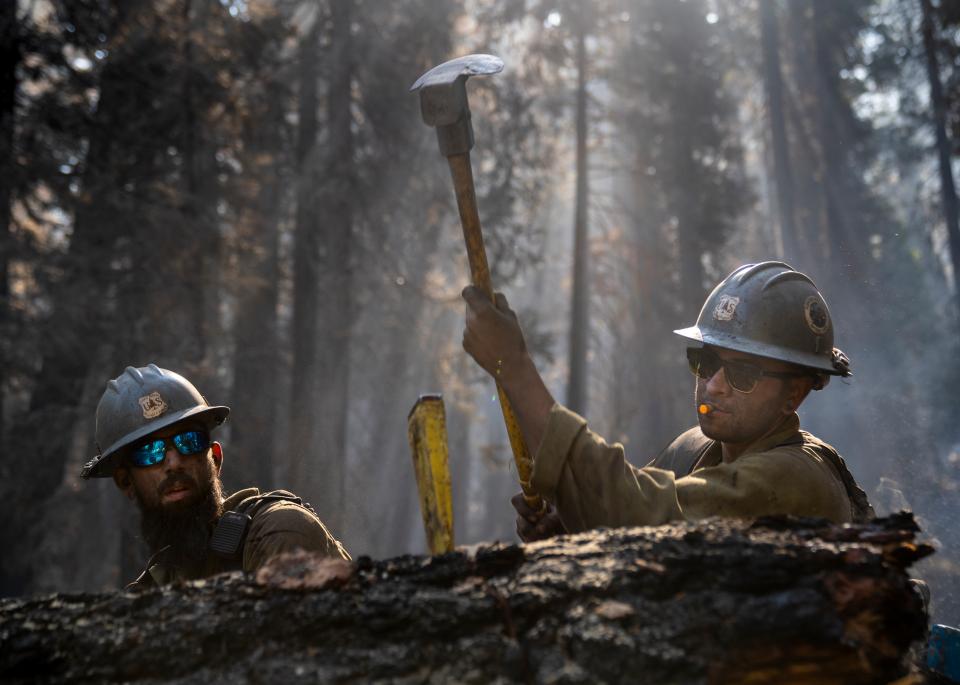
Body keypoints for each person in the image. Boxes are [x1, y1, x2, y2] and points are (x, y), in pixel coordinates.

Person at [461, 261, 874, 542]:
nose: (712, 385)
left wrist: (513, 368)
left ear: (794, 394)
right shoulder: (696, 448)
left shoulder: (797, 479)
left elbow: (632, 509)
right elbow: (624, 522)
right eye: (705, 360)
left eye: (744, 373)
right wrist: (572, 530)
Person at [81, 364, 350, 588]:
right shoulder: (150, 590)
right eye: (150, 452)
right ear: (126, 482)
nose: (174, 462)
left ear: (215, 459)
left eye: (189, 441)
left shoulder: (279, 531)